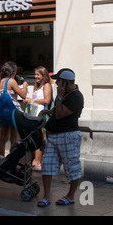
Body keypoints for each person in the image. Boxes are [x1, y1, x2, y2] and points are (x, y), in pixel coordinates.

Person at [37, 68, 84, 207]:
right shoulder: (66, 94)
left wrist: (59, 96)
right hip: (54, 136)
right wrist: (50, 110)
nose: (56, 83)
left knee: (72, 166)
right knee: (47, 165)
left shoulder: (76, 96)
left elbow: (61, 114)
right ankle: (46, 196)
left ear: (65, 82)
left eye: (59, 81)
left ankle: (70, 196)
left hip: (68, 136)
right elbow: (57, 110)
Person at [0, 61, 28, 157]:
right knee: (14, 139)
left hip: (4, 113)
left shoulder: (1, 81)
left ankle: (1, 159)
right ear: (13, 72)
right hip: (14, 112)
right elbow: (23, 95)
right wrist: (25, 86)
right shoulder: (11, 81)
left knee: (2, 139)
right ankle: (11, 161)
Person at [24, 66, 52, 170]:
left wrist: (32, 100)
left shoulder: (47, 85)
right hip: (33, 114)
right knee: (34, 136)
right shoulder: (37, 86)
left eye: (38, 75)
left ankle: (37, 160)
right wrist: (30, 100)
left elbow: (47, 100)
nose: (35, 77)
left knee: (39, 137)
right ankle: (35, 160)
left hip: (40, 115)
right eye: (35, 74)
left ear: (43, 75)